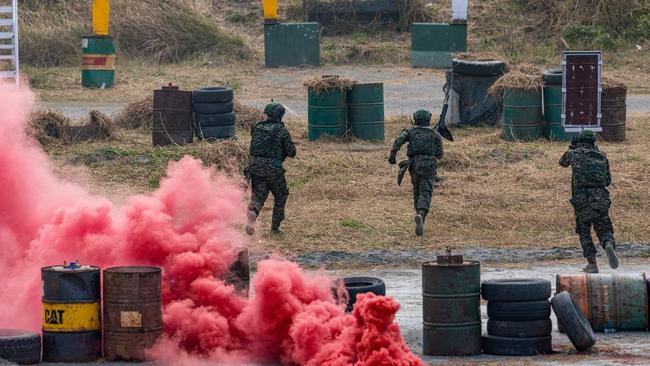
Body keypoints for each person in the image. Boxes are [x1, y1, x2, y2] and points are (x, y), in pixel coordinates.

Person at [560, 129, 618, 273]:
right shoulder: (602, 156)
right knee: (604, 228)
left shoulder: (573, 154)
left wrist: (572, 147)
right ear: (594, 140)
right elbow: (607, 181)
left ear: (579, 140)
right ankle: (608, 244)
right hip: (600, 197)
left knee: (584, 231)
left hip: (582, 199)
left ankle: (592, 263)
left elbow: (562, 163)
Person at [389, 110, 444, 237]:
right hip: (429, 166)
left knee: (417, 190)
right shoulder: (435, 134)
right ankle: (421, 214)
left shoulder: (410, 131)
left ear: (415, 119)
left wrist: (392, 156)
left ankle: (418, 214)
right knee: (426, 192)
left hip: (414, 165)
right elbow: (440, 155)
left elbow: (398, 141)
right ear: (428, 120)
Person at [245, 103, 296, 235]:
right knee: (280, 195)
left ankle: (252, 213)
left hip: (255, 167)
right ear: (280, 115)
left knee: (258, 196)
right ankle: (275, 227)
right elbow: (292, 152)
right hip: (273, 169)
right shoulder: (281, 130)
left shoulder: (257, 127)